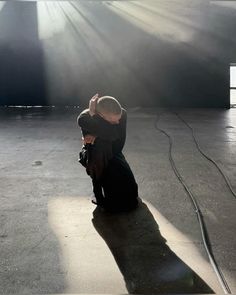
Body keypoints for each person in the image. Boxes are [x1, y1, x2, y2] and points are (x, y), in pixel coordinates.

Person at [77, 93, 138, 212]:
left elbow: (118, 142)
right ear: (100, 115)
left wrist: (96, 134)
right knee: (97, 160)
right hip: (96, 155)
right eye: (112, 120)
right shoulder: (84, 118)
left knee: (130, 191)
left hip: (114, 152)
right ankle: (100, 198)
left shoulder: (122, 114)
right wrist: (94, 118)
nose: (117, 123)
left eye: (118, 119)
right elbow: (112, 134)